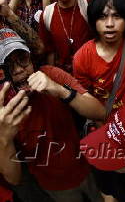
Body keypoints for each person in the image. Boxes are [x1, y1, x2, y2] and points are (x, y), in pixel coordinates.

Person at [0, 28, 105, 202]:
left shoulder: (51, 74)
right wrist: (4, 138)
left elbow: (99, 112)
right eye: (8, 66)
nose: (19, 70)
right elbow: (14, 178)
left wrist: (60, 91)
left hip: (86, 168)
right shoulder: (4, 110)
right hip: (54, 185)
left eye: (22, 60)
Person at [38, 0, 108, 72]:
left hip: (91, 73)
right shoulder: (47, 14)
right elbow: (49, 52)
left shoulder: (88, 6)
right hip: (63, 78)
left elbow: (113, 7)